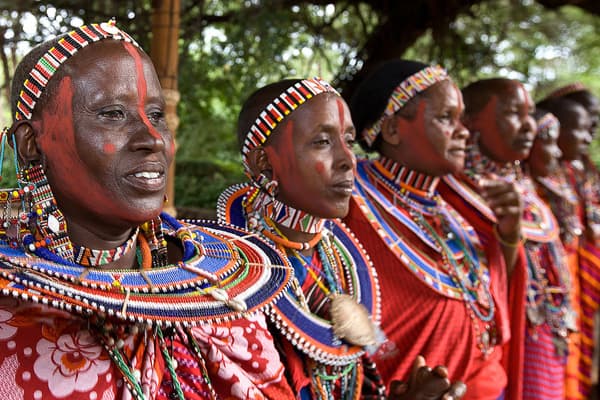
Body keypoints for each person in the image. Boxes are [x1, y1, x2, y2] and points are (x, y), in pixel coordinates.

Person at [0, 20, 296, 399]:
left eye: (156, 115)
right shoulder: (12, 319)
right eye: (112, 114)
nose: (153, 139)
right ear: (31, 142)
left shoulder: (221, 301)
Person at [218, 77, 466, 399]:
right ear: (264, 163)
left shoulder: (335, 260)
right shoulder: (225, 279)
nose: (348, 160)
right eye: (322, 142)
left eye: (349, 140)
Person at [344, 60, 524, 400]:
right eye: (446, 118)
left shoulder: (456, 207)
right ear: (393, 130)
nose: (464, 132)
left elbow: (491, 300)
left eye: (461, 119)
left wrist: (509, 234)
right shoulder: (348, 204)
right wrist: (385, 353)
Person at [440, 77, 576, 400]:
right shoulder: (451, 193)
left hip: (544, 335)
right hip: (497, 345)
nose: (528, 126)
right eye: (515, 112)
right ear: (470, 120)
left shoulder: (524, 187)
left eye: (530, 114)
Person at [537, 95, 597, 399]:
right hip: (546, 306)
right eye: (583, 127)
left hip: (572, 293)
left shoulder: (572, 178)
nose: (590, 135)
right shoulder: (532, 186)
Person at [524, 110, 583, 400]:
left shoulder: (545, 195)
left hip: (555, 319)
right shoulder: (512, 197)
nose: (557, 152)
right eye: (549, 141)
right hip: (532, 327)